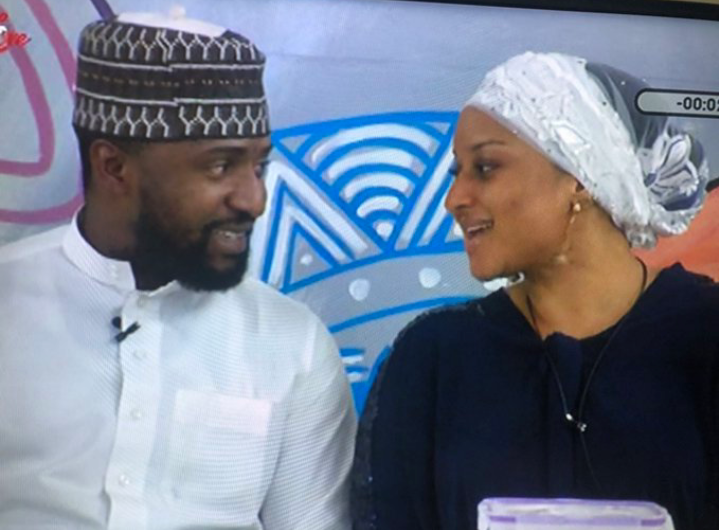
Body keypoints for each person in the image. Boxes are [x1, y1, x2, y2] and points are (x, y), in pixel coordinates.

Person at [0, 9, 356, 530]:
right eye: (220, 166)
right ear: (113, 166)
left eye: (258, 166)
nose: (253, 200)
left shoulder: (292, 343)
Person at [351, 52, 718, 530]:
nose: (454, 199)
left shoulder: (704, 339)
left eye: (485, 167)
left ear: (580, 177)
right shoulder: (433, 359)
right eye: (457, 172)